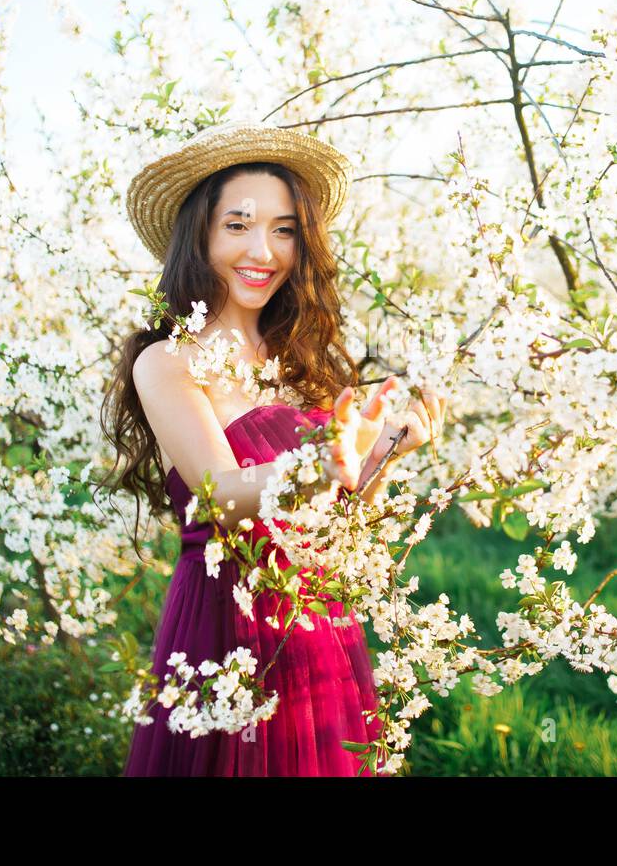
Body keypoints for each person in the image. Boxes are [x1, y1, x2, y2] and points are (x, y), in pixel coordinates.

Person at [103, 120, 446, 776]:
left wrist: (384, 455)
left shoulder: (305, 362)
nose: (263, 249)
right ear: (198, 235)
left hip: (316, 617)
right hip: (223, 618)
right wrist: (319, 464)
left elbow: (343, 518)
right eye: (238, 225)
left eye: (284, 229)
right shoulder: (169, 361)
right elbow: (220, 497)